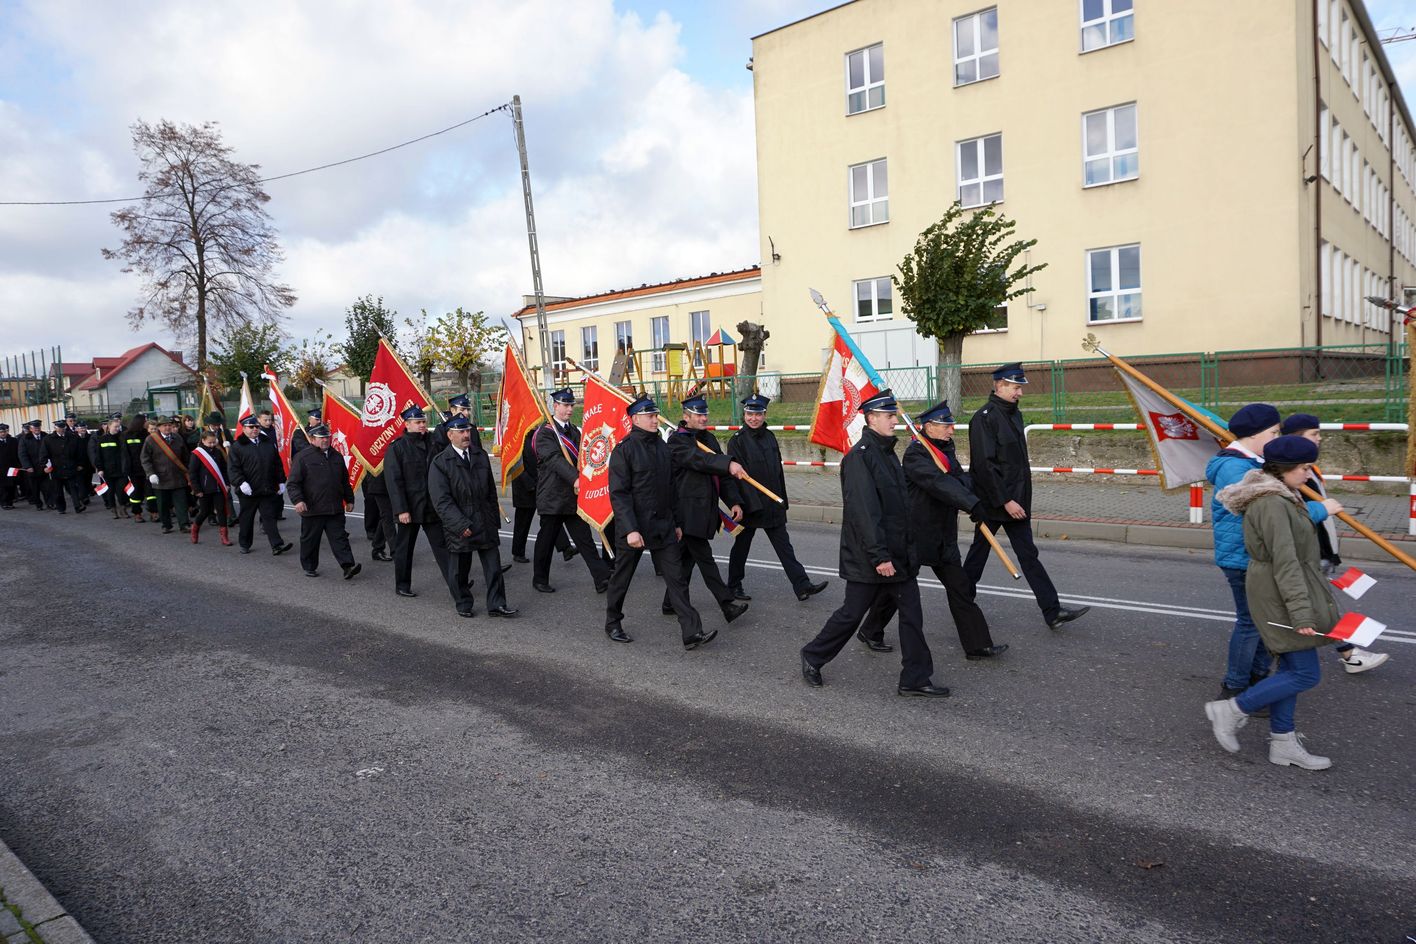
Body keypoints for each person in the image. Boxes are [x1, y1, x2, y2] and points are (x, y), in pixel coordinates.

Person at [1205, 435, 1347, 770]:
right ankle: (1232, 709)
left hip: (1281, 589)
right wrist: (1300, 612)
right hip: (1278, 595)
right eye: (1304, 468)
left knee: (1292, 669)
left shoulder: (1282, 494)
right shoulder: (1271, 502)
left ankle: (1283, 742)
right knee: (1306, 674)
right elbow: (1285, 562)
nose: (1309, 474)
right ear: (1283, 468)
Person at [800, 390, 949, 696]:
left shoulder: (887, 452)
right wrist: (879, 556)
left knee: (912, 616)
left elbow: (898, 507)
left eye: (894, 415)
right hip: (871, 556)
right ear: (871, 418)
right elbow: (864, 512)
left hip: (898, 554)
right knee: (851, 614)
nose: (895, 421)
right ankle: (813, 655)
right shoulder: (860, 458)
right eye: (889, 416)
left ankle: (915, 678)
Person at [1206, 403, 1339, 702]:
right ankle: (1235, 688)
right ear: (1255, 435)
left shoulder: (1252, 462)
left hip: (1261, 556)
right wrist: (1319, 510)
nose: (1278, 438)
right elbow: (1269, 514)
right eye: (1274, 433)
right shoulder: (1235, 468)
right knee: (1251, 624)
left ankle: (1257, 681)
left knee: (1264, 623)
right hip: (1244, 558)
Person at [856, 401, 1008, 660]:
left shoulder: (944, 450)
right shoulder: (916, 455)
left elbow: (959, 479)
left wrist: (974, 496)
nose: (951, 430)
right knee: (898, 588)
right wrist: (971, 503)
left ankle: (978, 645)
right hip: (916, 534)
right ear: (928, 427)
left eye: (952, 425)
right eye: (946, 426)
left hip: (943, 535)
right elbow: (938, 484)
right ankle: (870, 630)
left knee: (960, 588)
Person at [963, 362, 1089, 631]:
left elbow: (1016, 465)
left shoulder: (1014, 414)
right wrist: (1005, 501)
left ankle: (1052, 611)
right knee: (978, 555)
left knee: (1029, 555)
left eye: (1020, 387)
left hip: (1016, 502)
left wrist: (1016, 501)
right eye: (1015, 387)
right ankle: (961, 604)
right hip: (993, 502)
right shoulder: (984, 418)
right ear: (999, 386)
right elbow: (984, 466)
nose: (1020, 392)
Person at [604, 395, 729, 649]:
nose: (655, 420)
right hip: (636, 527)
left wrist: (677, 523)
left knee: (677, 579)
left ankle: (692, 632)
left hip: (663, 525)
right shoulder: (624, 450)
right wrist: (630, 530)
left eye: (655, 415)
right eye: (650, 416)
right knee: (622, 577)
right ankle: (613, 622)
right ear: (635, 419)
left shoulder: (663, 447)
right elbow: (619, 495)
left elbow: (672, 489)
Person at [1277, 413, 1388, 675]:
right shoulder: (1291, 473)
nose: (1319, 438)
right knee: (1319, 605)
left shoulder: (1308, 468)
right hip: (1310, 550)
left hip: (1321, 547)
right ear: (1296, 438)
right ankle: (1349, 654)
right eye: (1314, 434)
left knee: (1316, 605)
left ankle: (1339, 653)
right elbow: (1295, 516)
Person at [725, 393, 827, 602]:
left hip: (772, 504)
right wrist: (740, 504)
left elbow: (777, 473)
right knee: (741, 547)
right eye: (750, 414)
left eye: (758, 414)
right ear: (744, 415)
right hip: (751, 505)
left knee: (784, 547)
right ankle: (733, 586)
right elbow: (736, 479)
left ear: (764, 415)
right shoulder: (737, 441)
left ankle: (802, 586)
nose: (754, 418)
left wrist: (783, 501)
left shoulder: (770, 437)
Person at [658, 394, 751, 622]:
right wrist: (728, 463)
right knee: (706, 560)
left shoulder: (708, 439)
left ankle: (670, 602)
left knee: (686, 561)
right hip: (687, 512)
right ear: (686, 416)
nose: (703, 418)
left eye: (705, 414)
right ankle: (727, 605)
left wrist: (734, 501)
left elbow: (722, 475)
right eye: (698, 415)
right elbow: (699, 460)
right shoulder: (677, 442)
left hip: (705, 510)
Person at [427, 414, 516, 618]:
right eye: (461, 432)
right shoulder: (440, 462)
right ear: (450, 435)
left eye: (467, 430)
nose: (466, 435)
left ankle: (497, 604)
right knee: (459, 569)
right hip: (461, 523)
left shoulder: (480, 455)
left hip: (484, 519)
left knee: (493, 567)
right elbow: (442, 500)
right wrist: (459, 524)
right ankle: (463, 602)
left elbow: (490, 491)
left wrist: (493, 519)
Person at [531, 388, 610, 594]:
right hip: (553, 496)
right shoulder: (545, 433)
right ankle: (540, 579)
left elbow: (584, 457)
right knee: (546, 541)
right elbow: (554, 459)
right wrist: (575, 478)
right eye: (565, 405)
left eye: (571, 405)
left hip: (573, 497)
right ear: (555, 406)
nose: (569, 409)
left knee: (585, 540)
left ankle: (601, 578)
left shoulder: (574, 431)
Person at [385, 405, 464, 602]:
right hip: (409, 508)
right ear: (407, 424)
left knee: (443, 548)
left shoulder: (432, 442)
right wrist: (401, 510)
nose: (422, 425)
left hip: (431, 506)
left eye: (423, 421)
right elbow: (394, 482)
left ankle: (456, 585)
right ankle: (402, 584)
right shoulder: (397, 447)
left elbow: (446, 436)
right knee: (404, 549)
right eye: (418, 422)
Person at [285, 424, 360, 578]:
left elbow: (344, 481)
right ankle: (309, 566)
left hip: (334, 507)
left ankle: (348, 566)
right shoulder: (303, 457)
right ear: (312, 439)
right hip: (313, 509)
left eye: (327, 437)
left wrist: (349, 500)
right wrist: (298, 500)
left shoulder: (337, 456)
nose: (325, 440)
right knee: (310, 540)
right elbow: (293, 483)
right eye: (321, 438)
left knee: (340, 539)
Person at [228, 416, 293, 556]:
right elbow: (233, 468)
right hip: (248, 491)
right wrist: (241, 482)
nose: (255, 429)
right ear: (244, 429)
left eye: (257, 427)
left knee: (269, 518)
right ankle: (245, 544)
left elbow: (277, 463)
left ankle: (276, 545)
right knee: (247, 519)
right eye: (251, 427)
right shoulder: (237, 446)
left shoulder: (267, 443)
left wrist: (281, 480)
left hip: (266, 488)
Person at [510, 423, 573, 564]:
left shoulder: (540, 435)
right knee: (523, 522)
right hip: (525, 487)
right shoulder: (517, 437)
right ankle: (518, 551)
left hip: (541, 484)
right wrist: (529, 483)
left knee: (550, 517)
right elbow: (515, 464)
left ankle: (565, 548)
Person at [141, 415, 191, 533]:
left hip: (178, 476)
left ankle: (184, 524)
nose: (168, 427)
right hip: (160, 478)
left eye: (169, 425)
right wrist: (150, 473)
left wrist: (188, 471)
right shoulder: (151, 440)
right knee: (163, 504)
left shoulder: (177, 437)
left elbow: (185, 456)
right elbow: (145, 459)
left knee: (181, 503)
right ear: (159, 427)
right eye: (164, 425)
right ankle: (166, 525)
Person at [187, 429, 233, 545]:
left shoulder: (218, 452)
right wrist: (197, 489)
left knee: (221, 511)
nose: (212, 445)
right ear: (203, 441)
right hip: (204, 489)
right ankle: (195, 529)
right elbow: (192, 473)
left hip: (218, 487)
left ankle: (224, 537)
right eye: (210, 442)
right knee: (205, 511)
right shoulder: (197, 454)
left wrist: (227, 483)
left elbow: (224, 470)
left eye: (214, 442)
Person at [92, 413, 130, 518]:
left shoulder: (123, 438)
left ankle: (123, 509)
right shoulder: (102, 439)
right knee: (110, 491)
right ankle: (113, 510)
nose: (117, 429)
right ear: (109, 427)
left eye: (118, 427)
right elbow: (98, 456)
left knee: (121, 491)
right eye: (115, 427)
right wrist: (100, 469)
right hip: (107, 471)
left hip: (121, 470)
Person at [122, 414, 157, 521]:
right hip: (133, 470)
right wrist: (126, 469)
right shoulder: (126, 435)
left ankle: (153, 512)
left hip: (147, 469)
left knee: (151, 493)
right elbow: (124, 454)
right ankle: (137, 513)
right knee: (136, 493)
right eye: (145, 421)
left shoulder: (146, 435)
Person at [42, 420, 82, 513]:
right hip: (56, 468)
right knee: (58, 491)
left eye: (63, 428)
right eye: (60, 428)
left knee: (74, 488)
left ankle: (78, 506)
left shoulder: (73, 437)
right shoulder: (48, 439)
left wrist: (80, 464)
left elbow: (79, 452)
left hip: (71, 467)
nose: (62, 430)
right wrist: (44, 466)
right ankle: (61, 508)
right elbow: (43, 454)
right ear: (55, 428)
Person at [361, 467, 394, 563]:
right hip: (379, 482)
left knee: (387, 516)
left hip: (390, 481)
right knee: (387, 516)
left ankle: (378, 547)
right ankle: (397, 552)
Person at [17, 420, 47, 509]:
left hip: (44, 466)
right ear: (30, 429)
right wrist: (27, 466)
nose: (37, 429)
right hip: (32, 467)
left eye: (38, 427)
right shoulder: (25, 438)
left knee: (47, 487)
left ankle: (50, 503)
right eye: (35, 428)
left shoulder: (45, 436)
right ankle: (38, 504)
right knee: (35, 487)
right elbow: (22, 454)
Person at [69, 421, 94, 508]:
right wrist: (76, 465)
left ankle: (86, 495)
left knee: (88, 481)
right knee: (80, 483)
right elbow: (71, 454)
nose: (83, 429)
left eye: (84, 427)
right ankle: (84, 498)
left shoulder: (90, 437)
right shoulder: (73, 439)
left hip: (89, 465)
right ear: (76, 429)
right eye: (81, 428)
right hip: (79, 466)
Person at [0, 424, 18, 510]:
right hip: (1, 468)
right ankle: (4, 503)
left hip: (12, 467)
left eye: (4, 432)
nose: (3, 433)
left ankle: (10, 502)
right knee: (2, 486)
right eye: (1, 432)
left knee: (12, 485)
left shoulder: (13, 440)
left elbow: (17, 453)